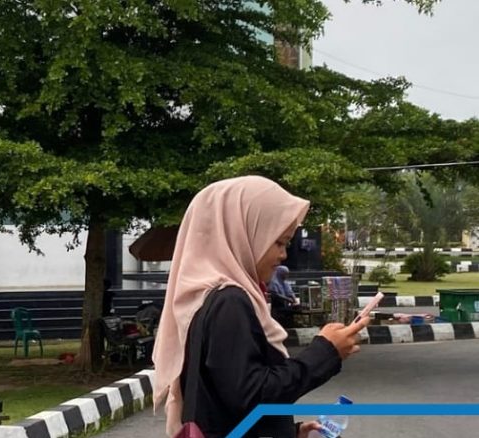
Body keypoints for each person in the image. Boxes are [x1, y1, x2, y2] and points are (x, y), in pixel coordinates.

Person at [151, 176, 369, 438]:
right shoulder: (229, 301)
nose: (283, 255)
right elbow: (253, 396)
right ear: (243, 235)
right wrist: (325, 352)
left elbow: (223, 401)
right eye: (278, 242)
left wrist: (291, 432)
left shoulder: (204, 299)